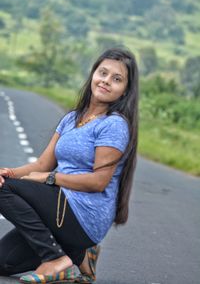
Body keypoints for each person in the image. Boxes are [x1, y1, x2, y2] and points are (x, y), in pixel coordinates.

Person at [0, 47, 138, 284]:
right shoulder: (72, 118)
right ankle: (79, 253)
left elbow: (98, 182)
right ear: (93, 74)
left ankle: (55, 259)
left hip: (82, 213)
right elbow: (43, 163)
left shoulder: (114, 125)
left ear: (125, 90)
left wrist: (49, 178)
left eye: (117, 79)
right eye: (102, 73)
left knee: (5, 189)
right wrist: (8, 173)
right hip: (60, 210)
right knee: (3, 261)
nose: (106, 81)